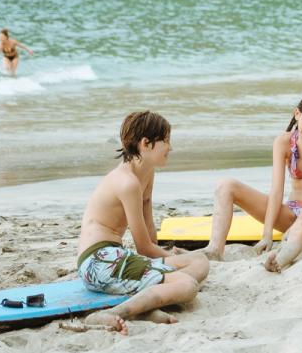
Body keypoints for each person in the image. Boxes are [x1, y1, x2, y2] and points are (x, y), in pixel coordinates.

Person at [73, 111, 209, 334]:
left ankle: (148, 304)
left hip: (115, 257)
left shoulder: (146, 173)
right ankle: (112, 314)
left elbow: (149, 233)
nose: (170, 147)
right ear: (146, 143)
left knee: (200, 261)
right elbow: (144, 247)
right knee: (186, 285)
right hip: (99, 262)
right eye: (165, 140)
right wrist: (171, 260)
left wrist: (169, 260)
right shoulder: (127, 183)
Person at [202, 93, 302, 272]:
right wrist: (267, 234)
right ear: (297, 114)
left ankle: (278, 261)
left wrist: (297, 225)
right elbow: (276, 191)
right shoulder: (283, 142)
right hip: (291, 210)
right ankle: (215, 249)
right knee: (226, 185)